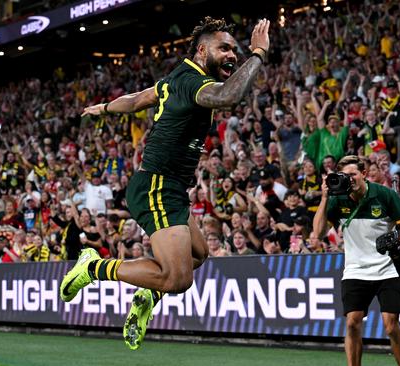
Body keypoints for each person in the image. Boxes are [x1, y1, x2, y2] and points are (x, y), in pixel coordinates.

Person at [59, 16, 271, 350]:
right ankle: (94, 267)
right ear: (202, 50)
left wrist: (102, 108)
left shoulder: (175, 78)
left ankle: (148, 291)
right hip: (157, 186)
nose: (232, 53)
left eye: (236, 48)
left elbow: (136, 100)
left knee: (199, 254)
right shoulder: (192, 82)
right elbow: (228, 96)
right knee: (178, 278)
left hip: (169, 188)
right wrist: (257, 54)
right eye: (225, 48)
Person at [313, 155, 400, 366]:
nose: (349, 179)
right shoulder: (337, 198)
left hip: (388, 267)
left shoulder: (384, 194)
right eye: (345, 175)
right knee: (352, 322)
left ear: (364, 174)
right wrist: (324, 198)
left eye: (353, 174)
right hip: (355, 269)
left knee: (390, 325)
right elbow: (318, 232)